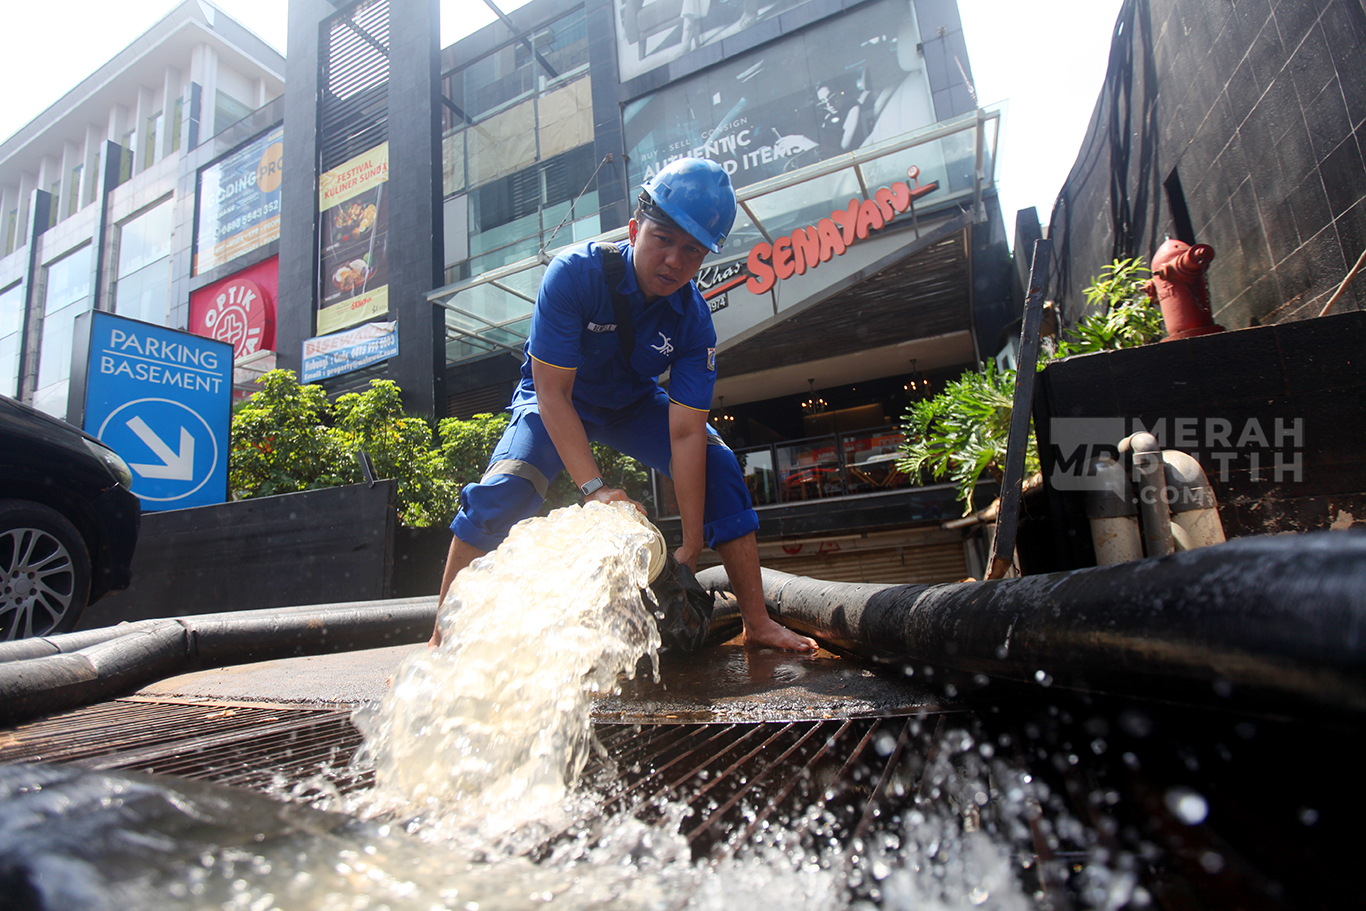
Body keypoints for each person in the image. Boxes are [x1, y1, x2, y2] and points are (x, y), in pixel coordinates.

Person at [432, 158, 817, 653]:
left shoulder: (694, 321)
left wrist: (694, 540)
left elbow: (685, 433)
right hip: (557, 399)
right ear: (635, 229)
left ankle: (756, 623)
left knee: (720, 463)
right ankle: (439, 642)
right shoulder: (574, 275)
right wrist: (594, 488)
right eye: (663, 239)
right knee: (505, 487)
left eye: (692, 250)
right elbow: (552, 393)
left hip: (633, 403)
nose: (675, 261)